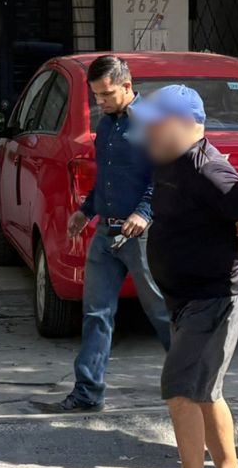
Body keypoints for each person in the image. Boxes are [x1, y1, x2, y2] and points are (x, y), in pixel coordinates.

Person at [133, 84, 238, 468]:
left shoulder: (210, 168)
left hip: (212, 299)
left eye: (154, 123)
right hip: (185, 297)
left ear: (183, 123)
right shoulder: (167, 161)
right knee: (205, 390)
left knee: (180, 390)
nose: (147, 130)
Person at [42, 55, 171, 413]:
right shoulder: (107, 124)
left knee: (162, 312)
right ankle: (87, 392)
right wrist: (85, 211)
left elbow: (163, 176)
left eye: (107, 94)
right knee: (96, 314)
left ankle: (191, 385)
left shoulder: (152, 123)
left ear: (127, 86)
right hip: (105, 233)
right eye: (96, 95)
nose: (100, 101)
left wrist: (144, 212)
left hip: (141, 236)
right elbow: (106, 179)